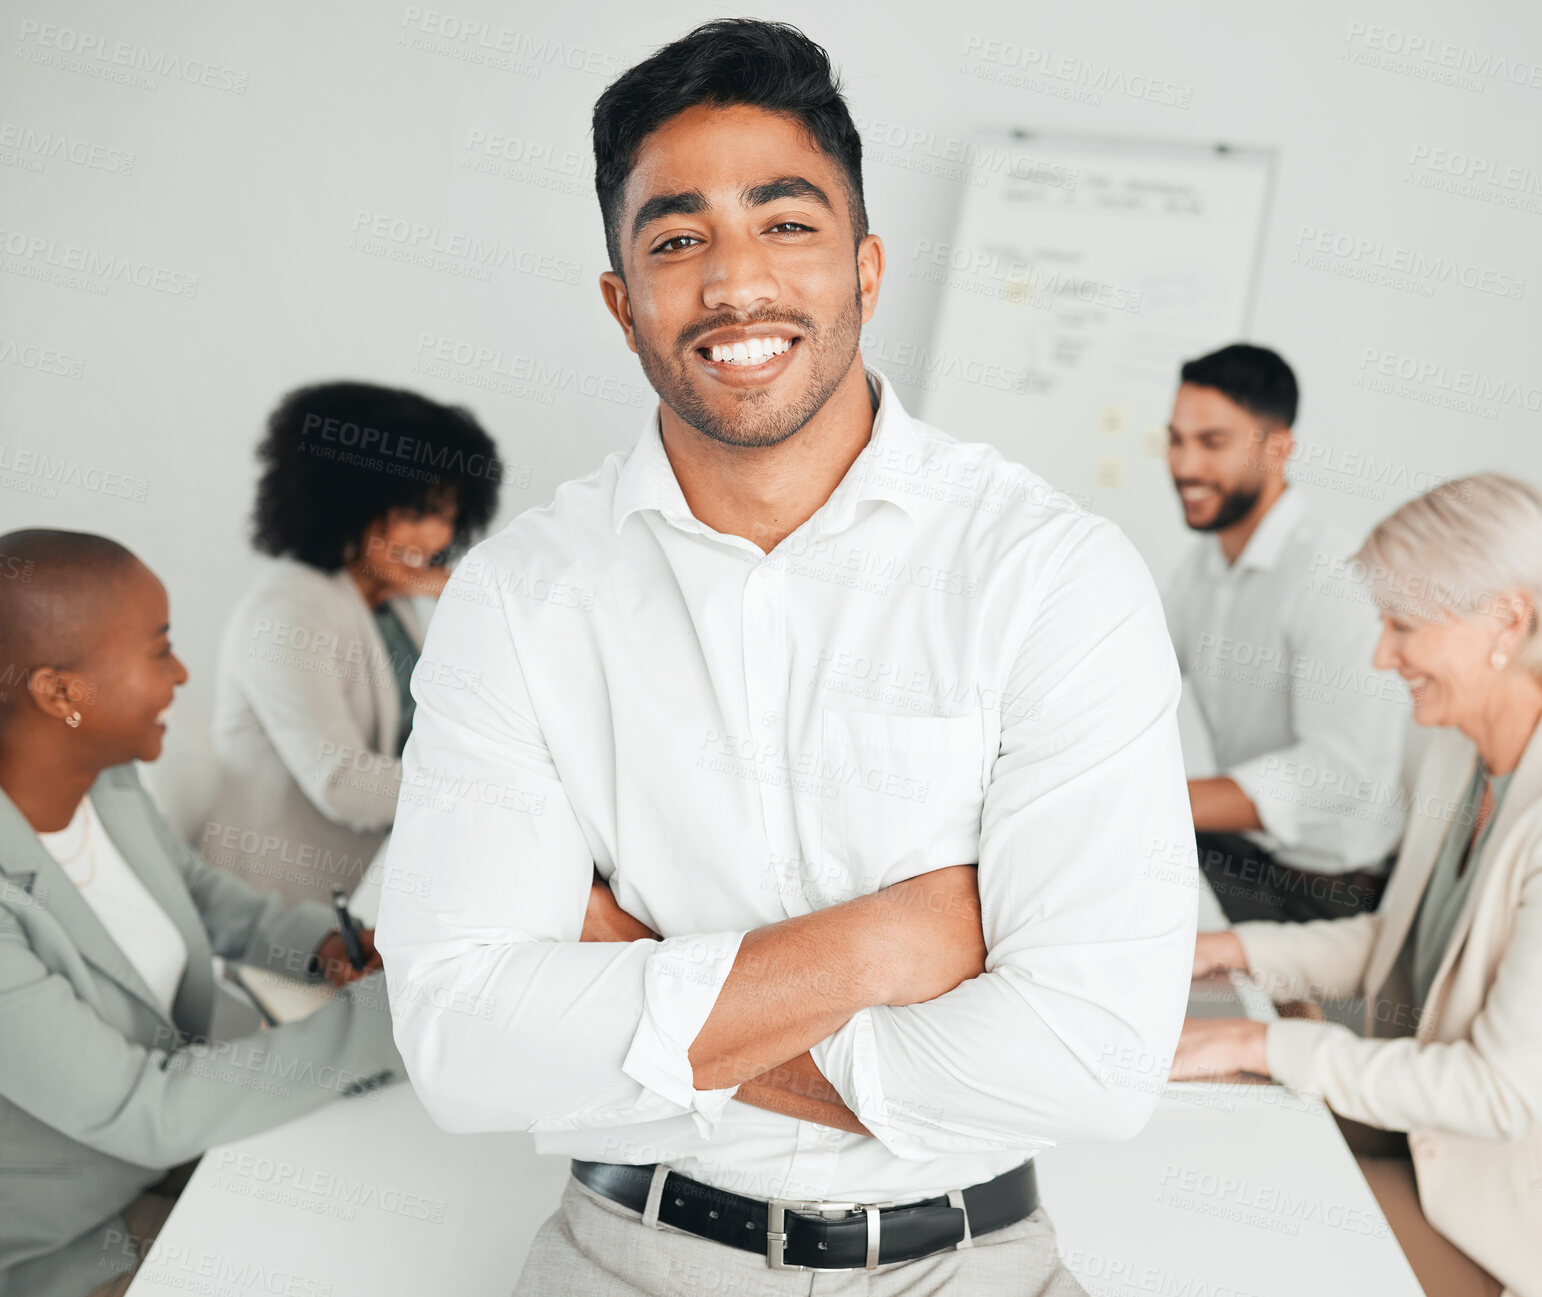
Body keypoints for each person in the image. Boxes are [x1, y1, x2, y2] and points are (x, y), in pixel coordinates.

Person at [376, 19, 1195, 1295]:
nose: (734, 283)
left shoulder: (1053, 575)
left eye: (787, 222)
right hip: (623, 1256)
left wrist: (635, 980)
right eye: (677, 238)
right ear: (622, 301)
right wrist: (881, 947)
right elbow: (462, 1048)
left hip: (970, 1263)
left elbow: (1094, 1059)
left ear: (866, 269)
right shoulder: (522, 597)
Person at [0, 529, 402, 1297]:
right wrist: (394, 1017)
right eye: (159, 650)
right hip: (64, 1245)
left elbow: (202, 895)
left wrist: (323, 944)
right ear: (60, 693)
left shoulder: (107, 785)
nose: (183, 673)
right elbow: (140, 1106)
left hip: (164, 1168)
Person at [1170, 474, 1542, 1297]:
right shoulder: (1460, 749)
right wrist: (1228, 948)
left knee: (1238, 1237)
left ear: (1507, 622)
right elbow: (1391, 937)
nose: (1381, 655)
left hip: (1494, 1219)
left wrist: (1257, 1042)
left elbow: (1499, 1092)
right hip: (1415, 1143)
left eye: (1403, 624)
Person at [201, 381, 501, 907]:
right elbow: (342, 783)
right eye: (414, 513)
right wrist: (485, 795)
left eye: (447, 515)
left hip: (376, 881)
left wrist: (465, 599)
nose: (433, 539)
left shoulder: (391, 599)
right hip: (287, 909)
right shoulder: (289, 610)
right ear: (345, 503)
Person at [1164, 343, 1408, 922]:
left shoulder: (1333, 574)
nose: (1185, 466)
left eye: (1212, 443)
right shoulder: (1199, 570)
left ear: (1279, 449)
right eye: (1176, 439)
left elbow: (1340, 774)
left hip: (1326, 888)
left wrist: (1161, 797)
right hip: (1248, 854)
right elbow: (1130, 677)